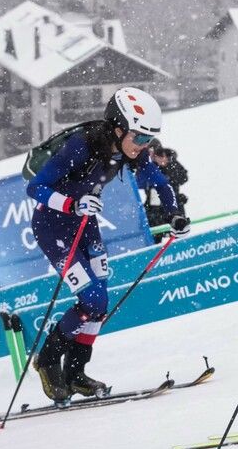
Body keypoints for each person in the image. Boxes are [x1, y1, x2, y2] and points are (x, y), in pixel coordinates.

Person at [26, 87, 189, 404]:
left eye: (149, 140)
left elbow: (160, 181)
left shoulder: (132, 150)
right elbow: (36, 187)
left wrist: (176, 215)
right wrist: (72, 205)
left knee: (99, 304)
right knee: (91, 297)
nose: (143, 146)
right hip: (53, 226)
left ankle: (75, 373)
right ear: (118, 127)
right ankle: (46, 361)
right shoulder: (80, 146)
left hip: (86, 225)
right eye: (140, 138)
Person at [140, 142, 189, 242]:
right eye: (152, 154)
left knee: (178, 233)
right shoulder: (147, 166)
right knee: (154, 236)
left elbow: (183, 178)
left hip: (172, 206)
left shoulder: (172, 164)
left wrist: (169, 164)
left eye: (159, 154)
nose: (157, 157)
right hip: (153, 208)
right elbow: (139, 183)